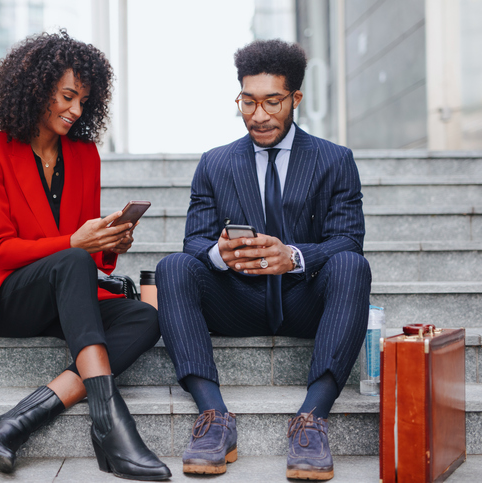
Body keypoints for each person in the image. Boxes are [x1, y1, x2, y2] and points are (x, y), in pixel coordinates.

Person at [156, 39, 371, 480]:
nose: (258, 115)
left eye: (272, 102)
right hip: (239, 300)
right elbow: (192, 241)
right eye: (248, 102)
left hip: (304, 302)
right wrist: (220, 254)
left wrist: (292, 257)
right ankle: (214, 418)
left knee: (353, 265)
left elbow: (347, 240)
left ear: (295, 98)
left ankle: (311, 419)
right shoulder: (214, 163)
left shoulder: (335, 160)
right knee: (171, 267)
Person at [0, 31, 171, 481]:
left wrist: (110, 243)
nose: (76, 110)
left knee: (146, 318)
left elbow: (87, 258)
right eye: (66, 96)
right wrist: (76, 245)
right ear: (35, 88)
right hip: (11, 294)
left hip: (68, 288)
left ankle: (14, 422)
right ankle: (112, 426)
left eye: (83, 101)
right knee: (72, 260)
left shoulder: (85, 155)